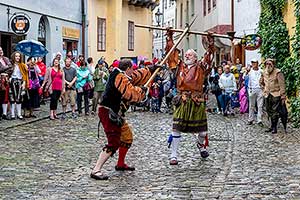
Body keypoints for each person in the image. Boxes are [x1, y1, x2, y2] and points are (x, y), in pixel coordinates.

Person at [90, 59, 157, 180]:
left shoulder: (123, 74)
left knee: (127, 137)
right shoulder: (119, 77)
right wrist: (142, 91)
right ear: (128, 69)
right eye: (132, 69)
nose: (134, 71)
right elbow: (130, 93)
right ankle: (96, 169)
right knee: (113, 142)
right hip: (108, 112)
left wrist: (150, 69)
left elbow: (136, 76)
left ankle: (120, 164)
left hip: (116, 113)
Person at [169, 43, 214, 165]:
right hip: (182, 100)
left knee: (203, 132)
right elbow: (172, 55)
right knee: (176, 129)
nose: (187, 57)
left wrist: (210, 44)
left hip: (196, 101)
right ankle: (173, 155)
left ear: (195, 58)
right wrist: (169, 39)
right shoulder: (180, 67)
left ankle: (200, 145)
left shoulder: (201, 67)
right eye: (186, 55)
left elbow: (209, 59)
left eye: (190, 55)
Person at [260, 58, 287, 134]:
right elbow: (261, 81)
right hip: (267, 94)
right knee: (269, 110)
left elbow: (282, 85)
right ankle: (271, 126)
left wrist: (282, 95)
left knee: (275, 111)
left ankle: (274, 127)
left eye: (270, 64)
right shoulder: (264, 72)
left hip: (276, 94)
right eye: (267, 64)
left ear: (273, 65)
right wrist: (263, 88)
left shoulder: (278, 72)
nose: (268, 66)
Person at [9, 51, 29, 120]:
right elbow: (8, 73)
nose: (18, 57)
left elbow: (25, 74)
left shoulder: (22, 65)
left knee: (19, 98)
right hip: (12, 82)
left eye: (19, 56)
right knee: (12, 98)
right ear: (14, 57)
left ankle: (19, 114)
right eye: (16, 56)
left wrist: (24, 82)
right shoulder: (11, 65)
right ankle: (12, 114)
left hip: (20, 82)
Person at [247, 59, 263, 125]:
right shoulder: (249, 71)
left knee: (260, 105)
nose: (254, 64)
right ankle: (250, 119)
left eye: (255, 63)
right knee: (251, 105)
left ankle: (259, 120)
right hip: (252, 89)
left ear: (257, 63)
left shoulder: (261, 71)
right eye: (252, 63)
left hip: (260, 89)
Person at [0, 46, 12, 119]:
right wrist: (6, 68)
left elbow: (11, 68)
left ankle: (4, 114)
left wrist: (5, 73)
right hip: (0, 81)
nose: (1, 51)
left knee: (5, 97)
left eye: (1, 50)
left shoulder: (6, 59)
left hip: (6, 81)